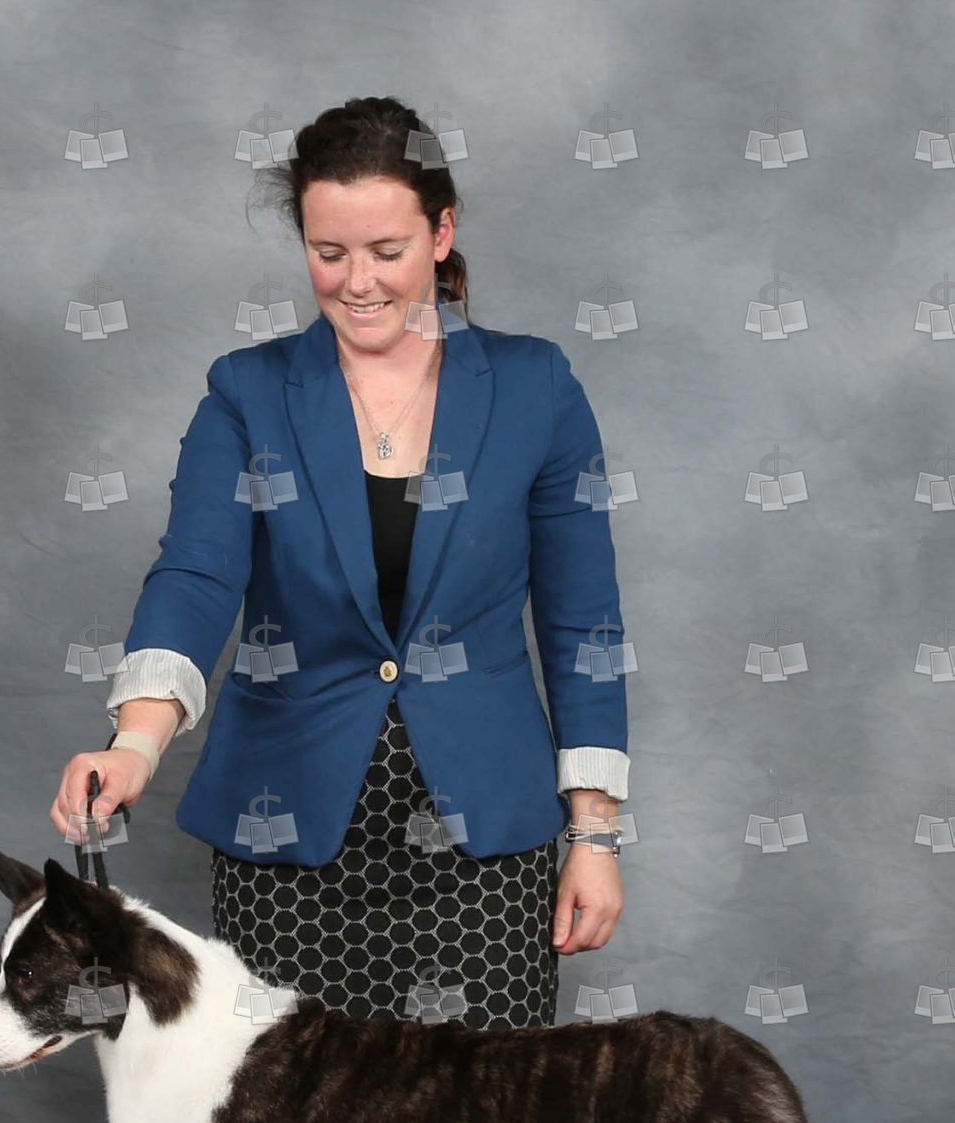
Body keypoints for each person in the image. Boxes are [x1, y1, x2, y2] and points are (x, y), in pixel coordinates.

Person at [51, 96, 626, 1033]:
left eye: (387, 251)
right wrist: (134, 745)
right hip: (286, 842)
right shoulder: (247, 392)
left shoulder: (538, 387)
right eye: (329, 253)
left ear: (442, 234)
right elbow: (195, 576)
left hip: (486, 849)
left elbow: (583, 623)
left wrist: (595, 835)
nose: (358, 283)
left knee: (487, 1119)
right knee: (294, 1121)